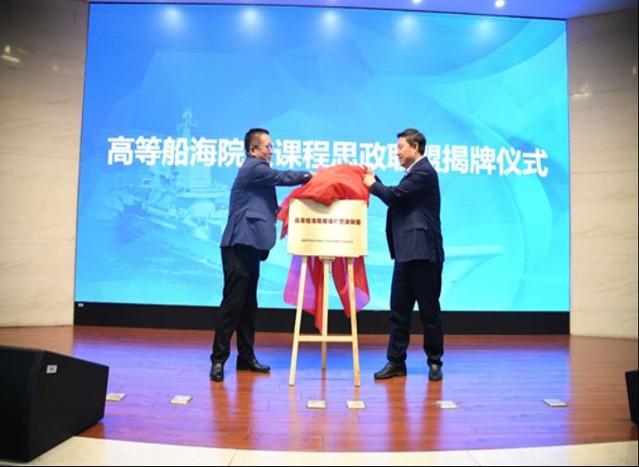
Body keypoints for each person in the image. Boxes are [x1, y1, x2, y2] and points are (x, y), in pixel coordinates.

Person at [210, 128, 312, 382]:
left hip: (251, 246)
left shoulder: (257, 172)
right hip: (238, 245)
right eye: (267, 146)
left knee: (249, 306)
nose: (271, 151)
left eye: (271, 146)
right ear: (253, 150)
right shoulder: (254, 168)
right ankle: (218, 360)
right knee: (232, 305)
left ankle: (245, 358)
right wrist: (310, 176)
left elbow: (265, 208)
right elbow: (282, 176)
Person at [362, 128, 445, 382]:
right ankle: (396, 361)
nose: (397, 152)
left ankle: (434, 362)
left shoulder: (424, 172)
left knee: (429, 312)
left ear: (415, 146)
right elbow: (397, 195)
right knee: (399, 311)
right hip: (405, 254)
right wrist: (375, 179)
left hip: (424, 254)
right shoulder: (413, 174)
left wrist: (372, 184)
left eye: (400, 147)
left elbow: (394, 196)